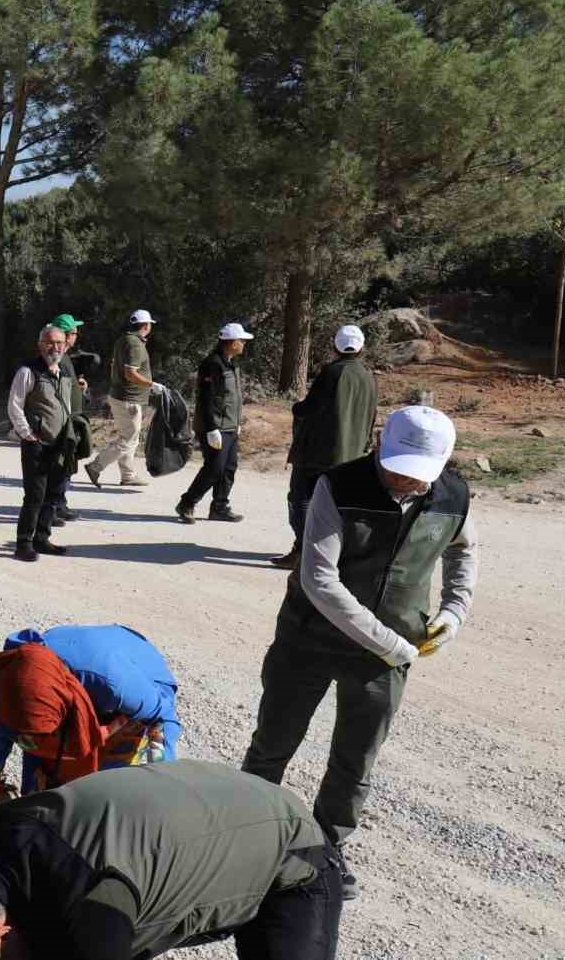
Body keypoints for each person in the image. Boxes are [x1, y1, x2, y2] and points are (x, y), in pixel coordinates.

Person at [241, 405, 477, 900]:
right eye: (396, 467)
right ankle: (246, 834)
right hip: (310, 638)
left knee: (356, 757)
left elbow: (462, 550)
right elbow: (319, 579)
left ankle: (325, 848)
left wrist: (454, 611)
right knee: (275, 740)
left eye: (417, 476)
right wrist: (391, 643)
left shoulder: (454, 495)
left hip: (385, 653)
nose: (404, 481)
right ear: (379, 447)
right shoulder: (337, 486)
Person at [0, 761, 344, 960]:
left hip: (287, 856)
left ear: (1, 930)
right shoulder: (2, 845)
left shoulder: (90, 907)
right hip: (214, 811)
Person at [0, 625, 181, 876]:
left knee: (108, 801)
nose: (35, 748)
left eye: (44, 739)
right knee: (40, 798)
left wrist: (159, 793)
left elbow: (163, 717)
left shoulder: (116, 687)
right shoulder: (4, 691)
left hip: (134, 694)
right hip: (56, 705)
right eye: (27, 741)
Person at [270, 325, 378, 569]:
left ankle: (303, 550)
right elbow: (372, 416)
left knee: (300, 500)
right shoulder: (369, 377)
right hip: (352, 455)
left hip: (317, 454)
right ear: (361, 347)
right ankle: (332, 554)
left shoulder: (332, 372)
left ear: (335, 346)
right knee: (336, 508)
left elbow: (310, 408)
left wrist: (296, 408)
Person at [5, 325, 73, 561]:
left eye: (59, 342)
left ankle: (42, 539)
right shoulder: (28, 371)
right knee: (35, 496)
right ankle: (23, 544)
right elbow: (14, 405)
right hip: (37, 443)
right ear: (40, 344)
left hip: (60, 444)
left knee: (54, 494)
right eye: (49, 342)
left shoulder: (64, 371)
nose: (55, 347)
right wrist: (27, 434)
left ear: (66, 345)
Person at [176, 322, 254, 524]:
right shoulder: (212, 364)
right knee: (214, 468)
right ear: (232, 342)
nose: (244, 344)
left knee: (229, 467)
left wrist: (236, 422)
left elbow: (231, 396)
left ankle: (220, 507)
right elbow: (207, 398)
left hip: (229, 425)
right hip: (214, 426)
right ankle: (187, 503)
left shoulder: (231, 363)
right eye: (242, 340)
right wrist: (211, 428)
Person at [84, 310, 162, 489]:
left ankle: (128, 475)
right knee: (129, 438)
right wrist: (151, 385)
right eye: (149, 324)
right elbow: (130, 372)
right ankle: (96, 466)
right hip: (129, 398)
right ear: (145, 326)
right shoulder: (134, 344)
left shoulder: (124, 340)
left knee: (129, 436)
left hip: (122, 396)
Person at [45, 314, 94, 527]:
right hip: (63, 421)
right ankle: (51, 508)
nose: (76, 335)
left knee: (67, 464)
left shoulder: (65, 357)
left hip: (71, 419)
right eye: (73, 332)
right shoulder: (57, 358)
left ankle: (59, 503)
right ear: (64, 335)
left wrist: (81, 387)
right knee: (59, 465)